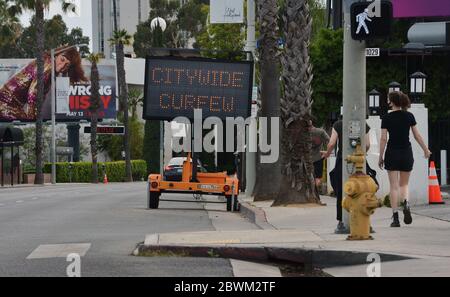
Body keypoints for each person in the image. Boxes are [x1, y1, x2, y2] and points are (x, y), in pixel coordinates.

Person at [379, 91, 431, 227]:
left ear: (392, 102)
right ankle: (406, 203)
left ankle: (395, 218)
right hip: (406, 152)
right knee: (404, 184)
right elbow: (417, 135)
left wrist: (380, 156)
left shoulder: (386, 118)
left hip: (392, 152)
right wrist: (425, 149)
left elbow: (383, 138)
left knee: (394, 186)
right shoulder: (409, 116)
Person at [0, 45, 87, 121]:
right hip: (5, 104)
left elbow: (41, 95)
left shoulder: (50, 66)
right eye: (62, 59)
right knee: (26, 121)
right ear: (56, 55)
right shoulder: (48, 65)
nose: (62, 66)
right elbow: (33, 92)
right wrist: (34, 118)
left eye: (67, 65)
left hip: (10, 104)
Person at [321, 118, 371, 233]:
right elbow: (367, 144)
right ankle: (365, 221)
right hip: (359, 161)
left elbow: (332, 143)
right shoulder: (363, 124)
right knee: (361, 191)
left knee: (341, 191)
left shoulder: (338, 124)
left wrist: (328, 154)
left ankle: (341, 221)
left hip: (342, 161)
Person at [309, 119, 330, 190]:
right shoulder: (320, 131)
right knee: (318, 178)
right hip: (318, 158)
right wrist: (327, 152)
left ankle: (310, 191)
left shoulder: (303, 133)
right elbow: (329, 140)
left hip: (306, 159)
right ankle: (314, 191)